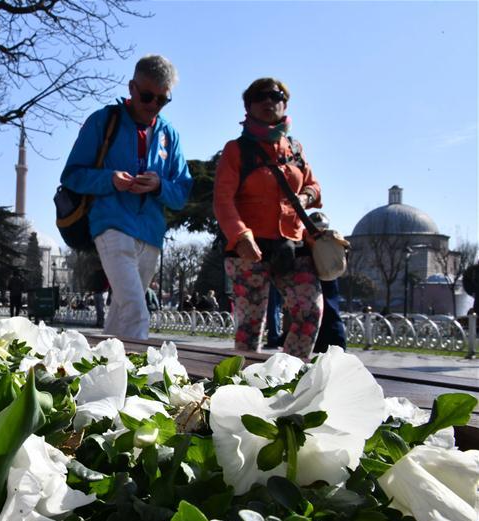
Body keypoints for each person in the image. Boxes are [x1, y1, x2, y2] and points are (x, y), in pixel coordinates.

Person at [61, 55, 193, 340]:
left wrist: (159, 186)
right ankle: (137, 381)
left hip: (151, 235)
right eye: (147, 96)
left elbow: (182, 192)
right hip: (111, 225)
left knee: (121, 313)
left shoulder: (170, 134)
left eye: (162, 100)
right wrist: (110, 179)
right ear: (132, 87)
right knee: (136, 311)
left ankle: (100, 373)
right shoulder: (103, 121)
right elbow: (72, 175)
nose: (153, 105)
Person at [214, 77, 323, 359]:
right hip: (249, 249)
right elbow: (223, 199)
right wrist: (239, 236)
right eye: (259, 97)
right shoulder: (236, 150)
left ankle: (289, 375)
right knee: (250, 328)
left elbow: (314, 186)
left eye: (275, 96)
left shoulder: (295, 149)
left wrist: (305, 197)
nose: (268, 102)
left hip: (292, 246)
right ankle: (244, 389)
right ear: (248, 107)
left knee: (310, 310)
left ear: (285, 104)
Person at [310, 212, 347, 352]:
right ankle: (336, 345)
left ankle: (327, 345)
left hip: (317, 277)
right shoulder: (333, 237)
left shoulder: (314, 239)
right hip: (330, 277)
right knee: (331, 311)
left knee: (324, 312)